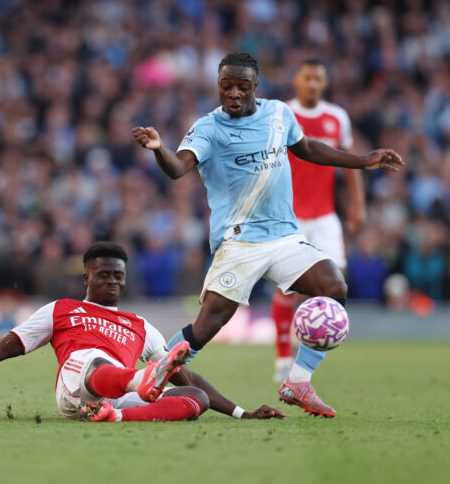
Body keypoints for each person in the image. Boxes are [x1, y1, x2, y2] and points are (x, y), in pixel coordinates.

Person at [132, 52, 403, 418]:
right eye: (226, 86)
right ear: (219, 85)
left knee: (334, 287)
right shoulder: (208, 128)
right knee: (209, 323)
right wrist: (158, 149)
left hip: (283, 237)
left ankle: (298, 381)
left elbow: (307, 148)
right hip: (239, 241)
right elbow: (179, 168)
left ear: (255, 86)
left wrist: (363, 160)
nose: (233, 93)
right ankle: (156, 368)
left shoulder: (278, 114)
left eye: (242, 86)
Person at [0, 242, 285, 422]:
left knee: (194, 396)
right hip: (75, 386)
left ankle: (115, 416)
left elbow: (186, 372)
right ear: (85, 275)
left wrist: (241, 413)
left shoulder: (140, 325)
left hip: (114, 401)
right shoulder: (62, 309)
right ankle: (141, 380)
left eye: (119, 275)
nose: (113, 281)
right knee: (93, 358)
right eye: (103, 274)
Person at [270, 59, 365, 383]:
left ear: (325, 84)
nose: (312, 84)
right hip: (288, 215)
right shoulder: (281, 113)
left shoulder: (337, 117)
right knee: (288, 289)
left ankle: (306, 355)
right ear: (296, 79)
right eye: (307, 77)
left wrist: (358, 204)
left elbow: (350, 163)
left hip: (325, 215)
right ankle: (283, 357)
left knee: (335, 283)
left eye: (318, 79)